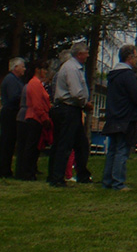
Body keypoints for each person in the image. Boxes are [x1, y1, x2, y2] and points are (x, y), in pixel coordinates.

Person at [48, 42, 93, 187]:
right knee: (65, 144)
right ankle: (57, 177)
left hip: (68, 109)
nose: (87, 55)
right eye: (86, 52)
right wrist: (85, 103)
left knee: (80, 144)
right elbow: (75, 92)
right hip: (69, 109)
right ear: (79, 54)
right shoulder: (72, 68)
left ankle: (82, 174)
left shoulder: (71, 67)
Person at [102, 44, 137, 190]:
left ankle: (107, 180)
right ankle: (118, 182)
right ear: (130, 57)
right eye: (135, 56)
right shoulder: (128, 75)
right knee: (122, 150)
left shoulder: (113, 75)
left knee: (112, 150)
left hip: (113, 116)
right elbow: (135, 96)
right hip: (125, 117)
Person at [15, 60, 51, 181]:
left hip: (36, 117)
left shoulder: (37, 83)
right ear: (38, 70)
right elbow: (37, 104)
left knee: (33, 146)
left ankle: (28, 171)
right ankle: (27, 172)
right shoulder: (35, 84)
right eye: (44, 69)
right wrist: (44, 118)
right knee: (30, 146)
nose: (46, 72)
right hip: (35, 117)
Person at [0, 57, 26, 179]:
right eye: (22, 66)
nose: (24, 69)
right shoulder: (10, 80)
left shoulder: (17, 80)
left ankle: (7, 170)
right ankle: (4, 171)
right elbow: (14, 97)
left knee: (10, 143)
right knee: (7, 142)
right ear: (16, 67)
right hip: (10, 113)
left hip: (14, 113)